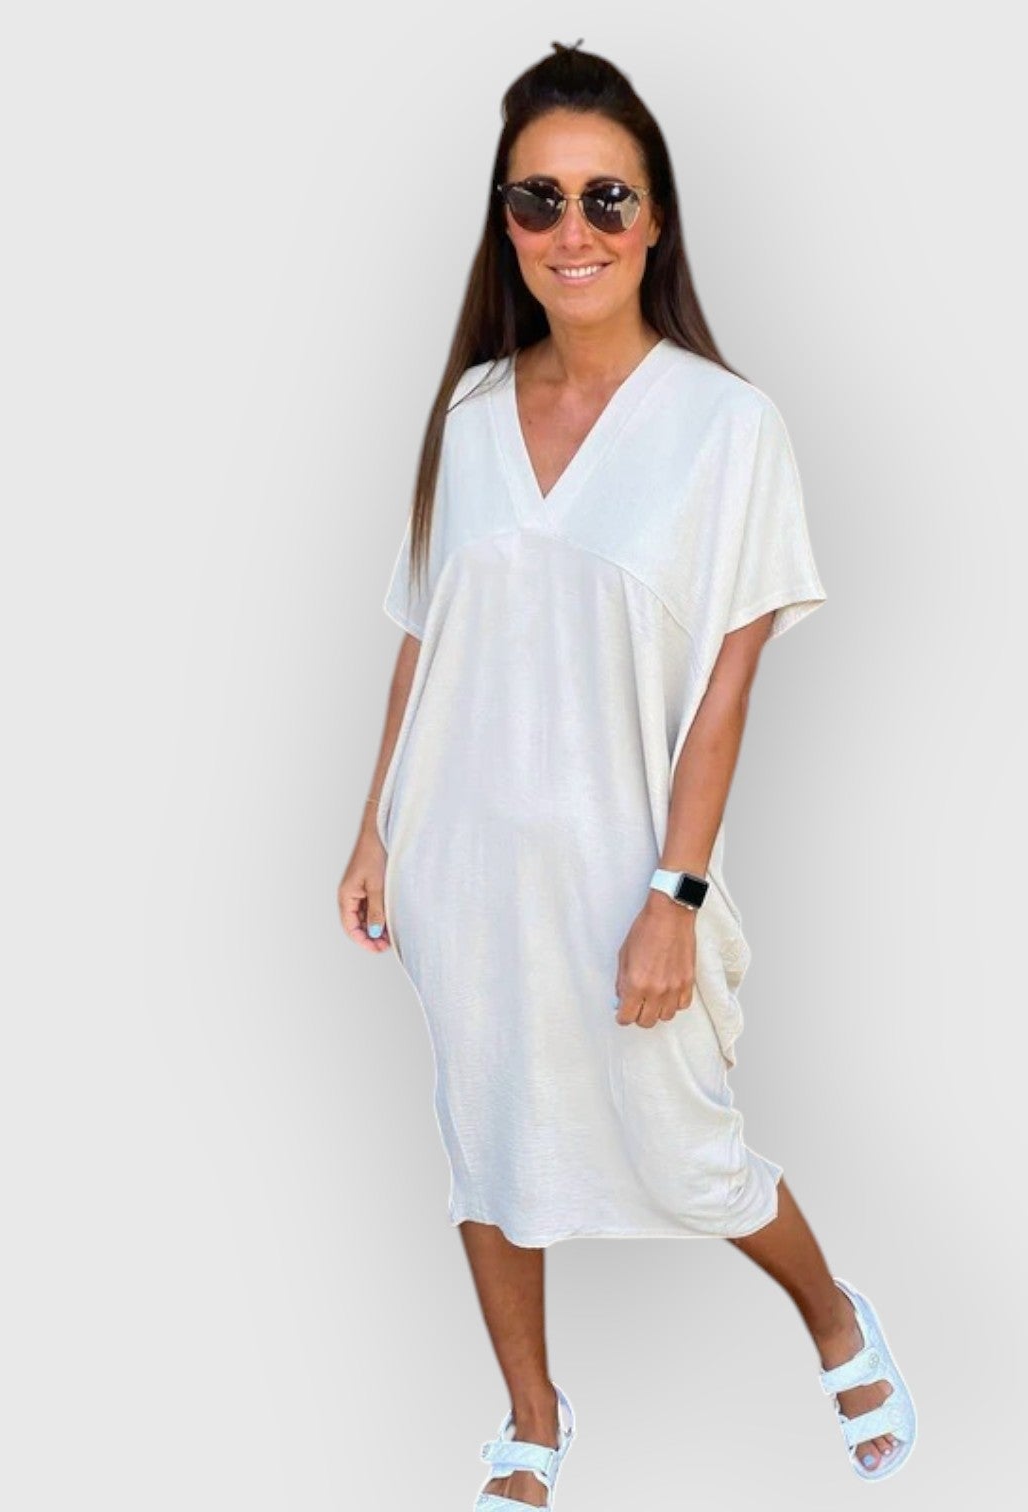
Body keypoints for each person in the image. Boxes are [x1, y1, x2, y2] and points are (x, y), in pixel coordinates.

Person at [336, 41, 917, 1509]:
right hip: (460, 864)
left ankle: (834, 1318)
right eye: (538, 199)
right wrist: (373, 831)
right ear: (506, 222)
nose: (572, 230)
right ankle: (532, 1417)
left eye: (606, 197)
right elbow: (424, 638)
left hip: (620, 877)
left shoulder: (727, 429)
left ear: (655, 219)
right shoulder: (471, 414)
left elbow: (728, 684)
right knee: (488, 1148)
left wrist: (677, 892)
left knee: (687, 1148)